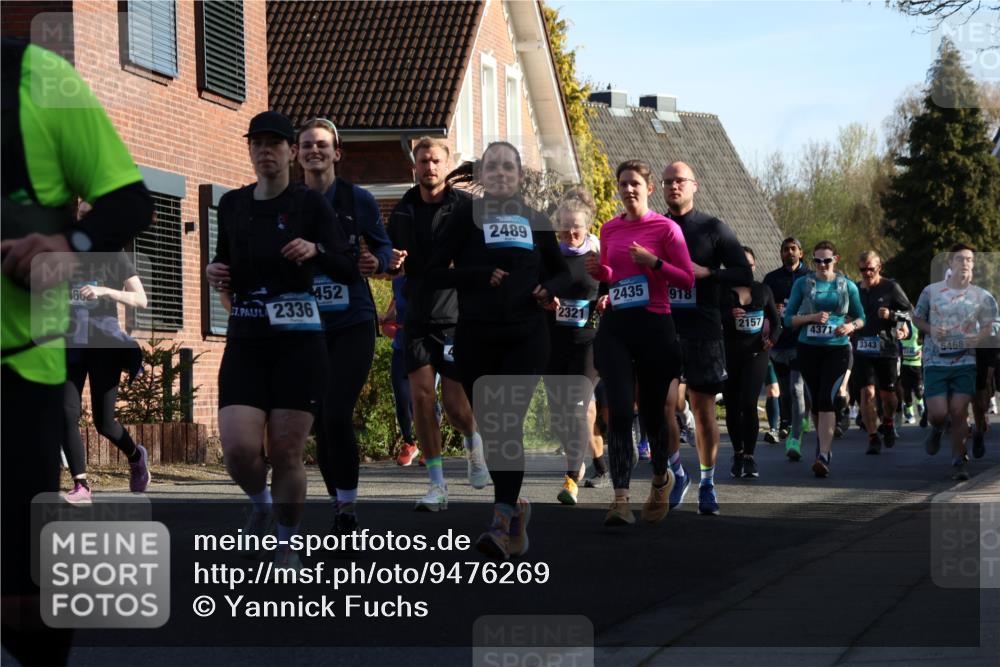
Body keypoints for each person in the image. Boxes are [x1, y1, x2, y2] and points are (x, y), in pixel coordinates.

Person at [1, 39, 153, 667]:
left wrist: (69, 243)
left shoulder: (39, 78)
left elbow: (131, 202)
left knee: (20, 600)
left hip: (21, 363)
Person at [206, 111, 358, 568]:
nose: (266, 151)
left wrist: (317, 250)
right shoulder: (232, 204)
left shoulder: (310, 204)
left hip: (300, 344)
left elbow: (348, 267)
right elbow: (223, 264)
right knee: (237, 448)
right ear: (250, 150)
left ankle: (288, 543)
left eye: (275, 143)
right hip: (248, 340)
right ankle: (260, 502)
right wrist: (215, 274)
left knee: (288, 449)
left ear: (292, 151)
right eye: (258, 143)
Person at [427, 141, 570, 559]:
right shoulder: (463, 220)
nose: (502, 174)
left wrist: (549, 288)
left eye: (509, 168)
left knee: (507, 422)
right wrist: (477, 274)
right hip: (476, 337)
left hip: (527, 335)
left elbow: (561, 274)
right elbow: (433, 274)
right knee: (493, 430)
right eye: (494, 168)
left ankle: (501, 521)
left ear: (520, 176)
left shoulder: (537, 220)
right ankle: (516, 512)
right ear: (482, 175)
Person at [296, 117, 393, 535]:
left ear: (337, 153)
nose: (314, 151)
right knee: (319, 419)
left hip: (352, 319)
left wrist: (379, 261)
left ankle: (348, 508)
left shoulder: (358, 199)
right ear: (296, 154)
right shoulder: (288, 202)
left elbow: (383, 245)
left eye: (322, 145)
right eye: (306, 145)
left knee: (336, 411)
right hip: (303, 325)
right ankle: (340, 502)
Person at [587, 159, 693, 526]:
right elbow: (615, 276)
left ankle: (661, 478)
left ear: (649, 189)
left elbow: (687, 281)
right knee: (617, 409)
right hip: (617, 325)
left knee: (651, 413)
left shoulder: (666, 230)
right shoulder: (610, 228)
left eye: (635, 184)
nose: (628, 190)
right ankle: (620, 500)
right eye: (622, 184)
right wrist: (604, 276)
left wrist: (654, 263)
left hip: (655, 325)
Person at [387, 137, 484, 511]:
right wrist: (391, 263)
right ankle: (437, 485)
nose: (429, 167)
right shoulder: (403, 211)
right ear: (414, 166)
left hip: (456, 319)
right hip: (417, 317)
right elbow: (389, 262)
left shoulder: (466, 208)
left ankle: (474, 442)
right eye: (423, 161)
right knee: (421, 398)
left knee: (457, 406)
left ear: (447, 164)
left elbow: (480, 257)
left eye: (435, 161)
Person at [660, 161, 752, 515]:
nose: (673, 186)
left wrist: (709, 273)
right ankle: (677, 472)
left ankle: (708, 483)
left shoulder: (713, 228)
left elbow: (744, 271)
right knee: (664, 406)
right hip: (664, 327)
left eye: (679, 181)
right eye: (667, 181)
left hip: (704, 330)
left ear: (694, 185)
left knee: (703, 412)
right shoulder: (656, 226)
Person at [62, 242, 149, 503]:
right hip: (71, 343)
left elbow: (140, 299)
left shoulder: (114, 254)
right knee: (65, 412)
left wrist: (105, 291)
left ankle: (136, 457)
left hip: (104, 344)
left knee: (105, 423)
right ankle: (81, 485)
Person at [913, 244, 999, 480]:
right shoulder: (931, 292)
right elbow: (917, 318)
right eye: (959, 259)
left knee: (959, 411)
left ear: (973, 264)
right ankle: (937, 427)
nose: (964, 263)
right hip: (935, 361)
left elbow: (995, 324)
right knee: (939, 413)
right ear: (950, 264)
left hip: (965, 361)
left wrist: (979, 337)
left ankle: (959, 461)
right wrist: (931, 329)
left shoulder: (983, 296)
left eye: (969, 259)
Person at [783, 241, 865, 478]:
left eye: (826, 260)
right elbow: (789, 320)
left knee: (827, 398)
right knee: (816, 402)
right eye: (817, 261)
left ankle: (824, 455)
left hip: (836, 350)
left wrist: (849, 326)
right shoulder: (803, 284)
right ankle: (822, 445)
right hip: (808, 349)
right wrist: (811, 317)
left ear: (835, 260)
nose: (821, 265)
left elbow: (861, 318)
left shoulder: (847, 286)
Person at [543, 187, 602, 505]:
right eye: (564, 225)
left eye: (575, 226)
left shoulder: (598, 256)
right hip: (555, 342)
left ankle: (571, 477)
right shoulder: (550, 257)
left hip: (588, 342)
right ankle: (588, 458)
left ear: (587, 225)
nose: (570, 232)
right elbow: (535, 288)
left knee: (579, 407)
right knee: (559, 415)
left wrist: (605, 298)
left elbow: (613, 285)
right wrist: (543, 297)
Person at [720, 247, 782, 478]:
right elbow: (711, 320)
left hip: (757, 354)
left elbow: (777, 324)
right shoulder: (722, 292)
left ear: (754, 267)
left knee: (749, 403)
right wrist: (728, 316)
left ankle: (749, 456)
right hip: (730, 354)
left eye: (749, 265)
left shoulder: (763, 291)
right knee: (733, 406)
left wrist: (772, 341)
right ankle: (737, 453)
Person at [852, 251, 913, 455]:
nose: (867, 273)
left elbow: (911, 312)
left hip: (886, 348)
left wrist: (892, 315)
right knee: (867, 392)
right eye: (863, 269)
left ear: (880, 267)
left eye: (871, 268)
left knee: (888, 396)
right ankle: (872, 437)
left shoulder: (891, 287)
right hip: (861, 347)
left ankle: (887, 421)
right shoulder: (854, 289)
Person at [762, 237, 811, 460]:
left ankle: (795, 433)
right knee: (784, 388)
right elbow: (764, 307)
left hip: (802, 340)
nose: (789, 253)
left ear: (801, 252)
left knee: (797, 388)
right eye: (785, 249)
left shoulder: (810, 277)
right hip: (780, 341)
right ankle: (789, 421)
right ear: (780, 253)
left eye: (793, 249)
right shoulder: (771, 279)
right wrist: (775, 308)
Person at [381, 276, 419, 461]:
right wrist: (383, 318)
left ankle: (429, 445)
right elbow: (394, 313)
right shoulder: (397, 282)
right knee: (402, 400)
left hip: (424, 346)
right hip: (401, 346)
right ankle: (409, 443)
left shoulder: (431, 275)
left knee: (422, 399)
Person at [899, 323, 924, 424]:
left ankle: (920, 404)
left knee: (918, 390)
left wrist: (922, 350)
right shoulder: (898, 326)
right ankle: (909, 413)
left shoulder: (916, 326)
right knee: (906, 390)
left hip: (916, 364)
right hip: (904, 364)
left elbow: (924, 339)